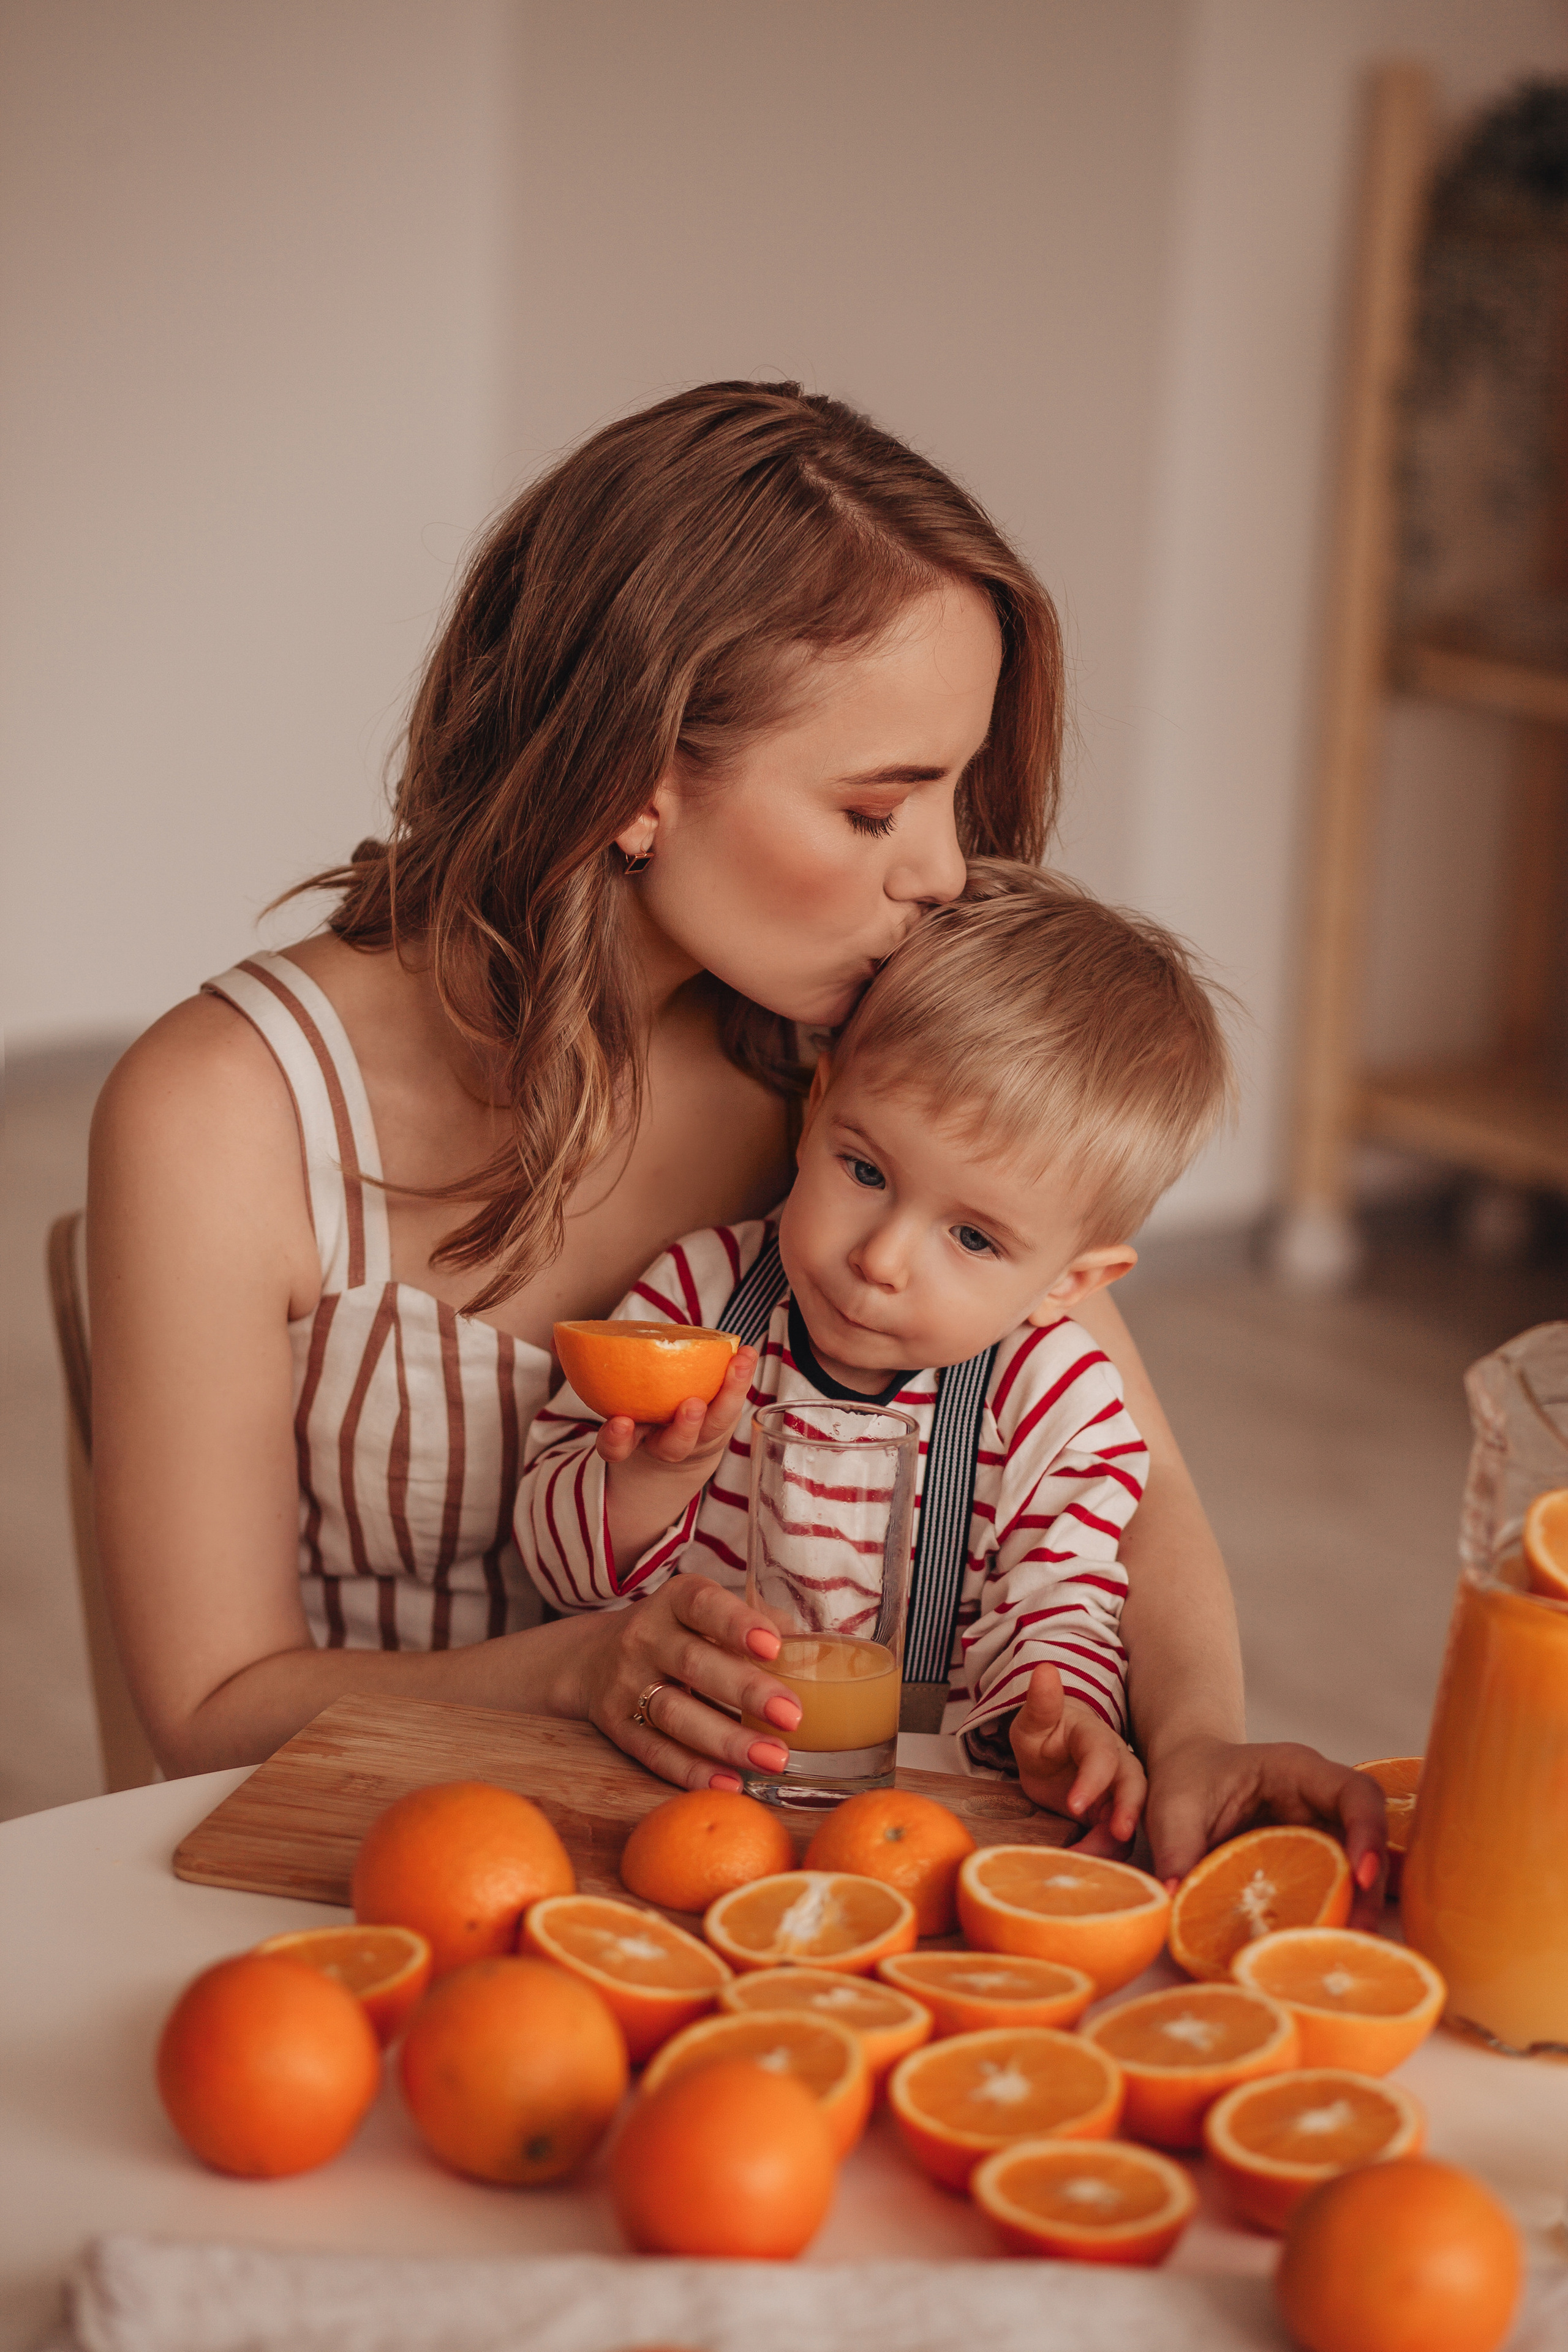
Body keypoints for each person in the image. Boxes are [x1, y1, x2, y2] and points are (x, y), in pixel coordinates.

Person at [86, 379, 1384, 1902]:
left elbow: (1122, 1475)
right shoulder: (220, 1115)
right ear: (639, 777)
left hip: (746, 1888)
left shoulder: (847, 1078)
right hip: (365, 1885)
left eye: (954, 791)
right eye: (870, 809)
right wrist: (571, 1675)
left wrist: (1198, 1734)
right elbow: (208, 1711)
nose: (946, 872)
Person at [516, 862, 1231, 1845]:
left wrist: (1062, 1720)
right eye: (865, 1170)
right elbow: (554, 1568)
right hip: (678, 1778)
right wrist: (649, 1483)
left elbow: (1061, 1599)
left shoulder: (1057, 1399)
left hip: (919, 1818)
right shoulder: (697, 1301)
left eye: (973, 1239)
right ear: (814, 1115)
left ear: (1073, 1281)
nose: (880, 1258)